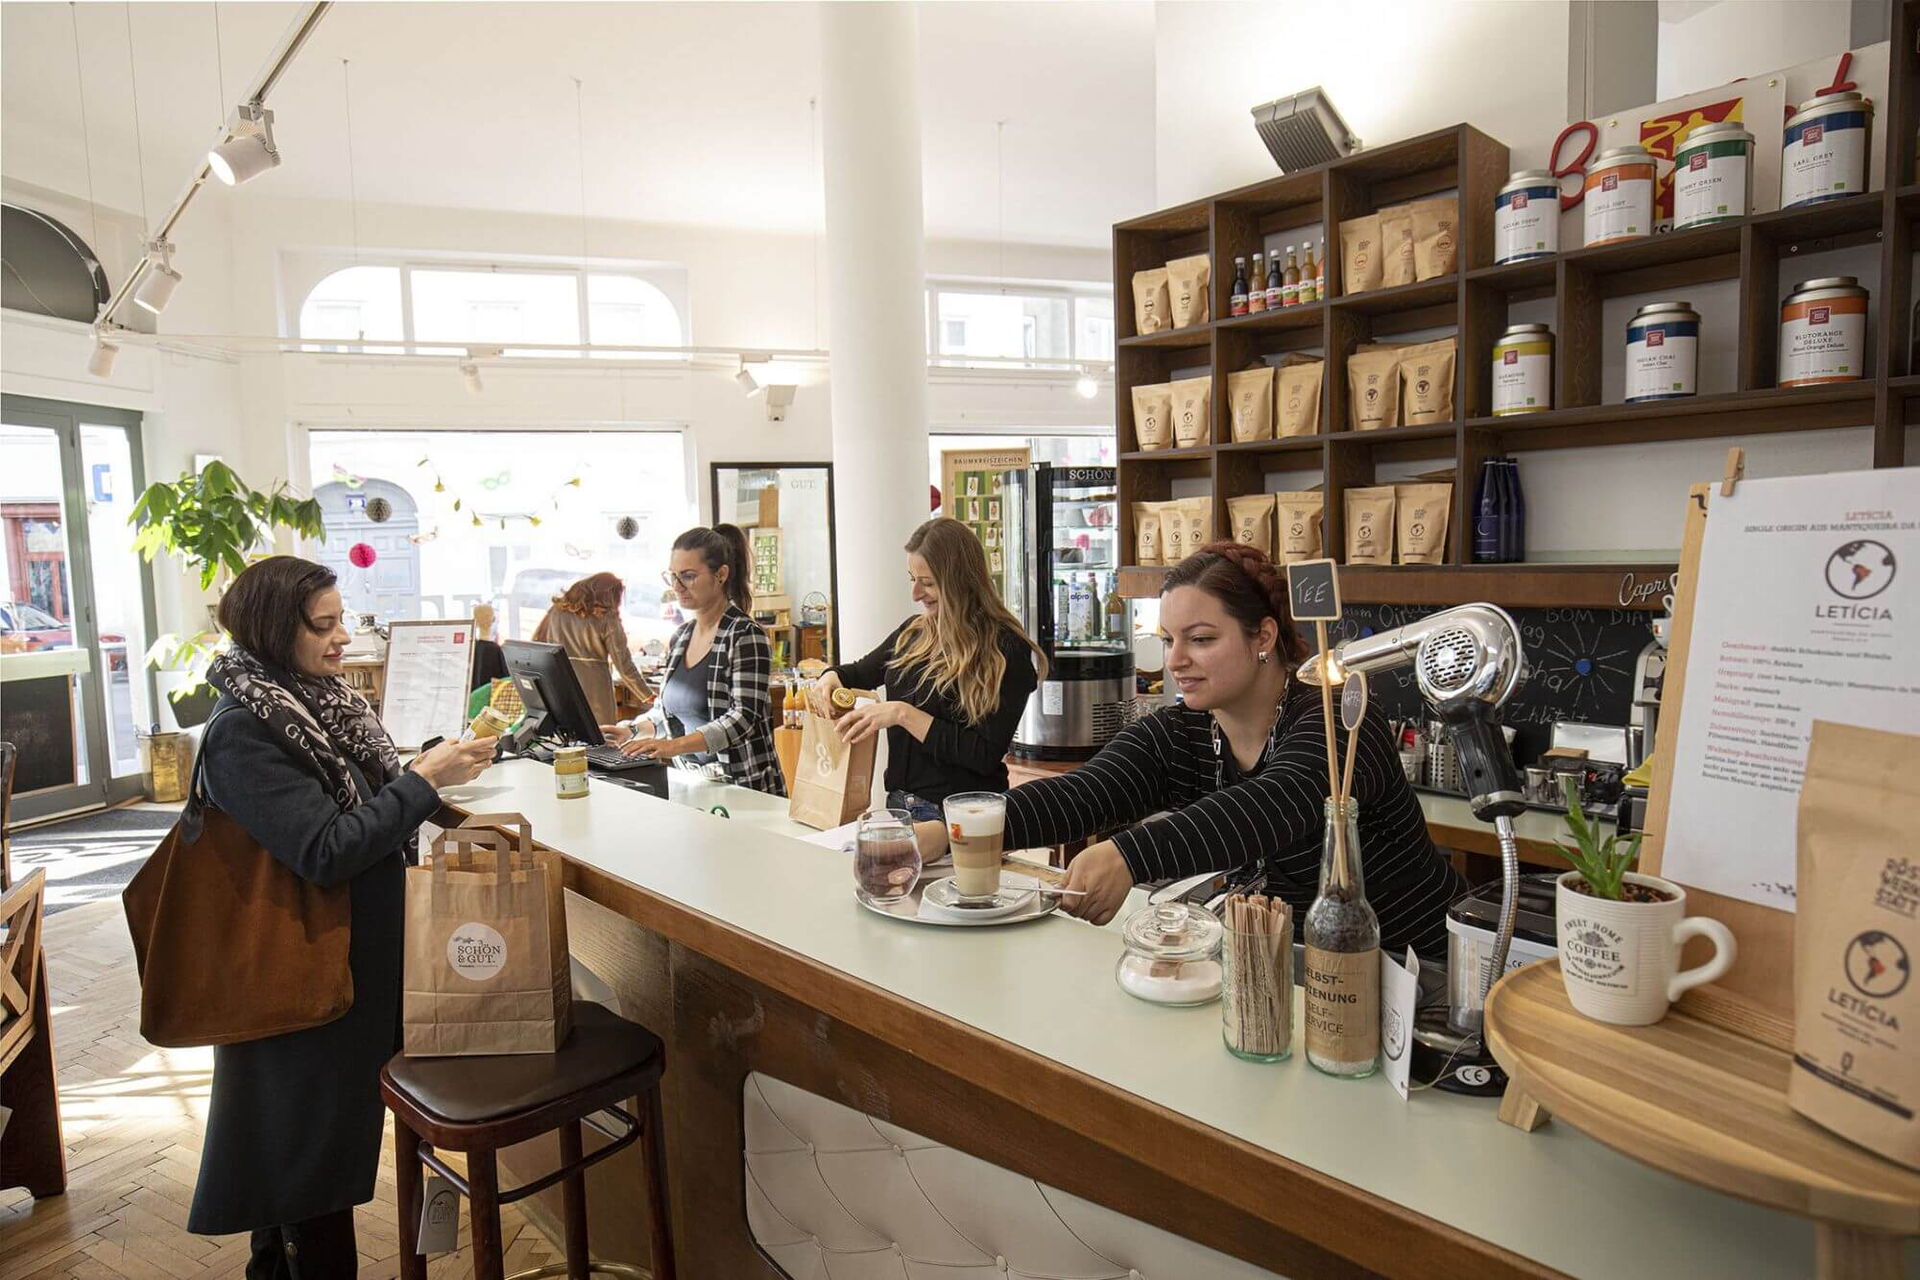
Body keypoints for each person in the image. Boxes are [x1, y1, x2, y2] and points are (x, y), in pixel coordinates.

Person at [918, 542, 1463, 955]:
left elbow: (1280, 802)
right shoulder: (1188, 731)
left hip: (1413, 971)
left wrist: (1132, 854)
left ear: (1264, 638)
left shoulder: (1338, 717)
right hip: (1289, 975)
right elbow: (1086, 793)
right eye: (1168, 640)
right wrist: (950, 831)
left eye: (1201, 640)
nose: (1176, 660)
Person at [187, 556, 497, 1276]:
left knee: (299, 1169)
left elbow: (354, 799)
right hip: (303, 986)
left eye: (342, 620)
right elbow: (326, 848)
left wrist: (428, 769)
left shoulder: (312, 706)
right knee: (304, 1172)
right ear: (272, 630)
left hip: (342, 973)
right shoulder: (245, 730)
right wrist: (422, 784)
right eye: (323, 626)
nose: (342, 640)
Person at [810, 518, 1045, 822]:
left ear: (962, 580)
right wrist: (829, 677)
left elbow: (983, 755)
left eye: (929, 583)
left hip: (964, 815)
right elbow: (856, 673)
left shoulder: (1005, 650)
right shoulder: (913, 634)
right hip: (898, 805)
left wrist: (902, 715)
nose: (916, 594)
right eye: (912, 579)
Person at [602, 524, 785, 795]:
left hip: (743, 787)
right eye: (673, 577)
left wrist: (673, 746)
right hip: (691, 783)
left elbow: (742, 718)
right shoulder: (681, 637)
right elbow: (671, 713)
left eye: (688, 576)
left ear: (721, 575)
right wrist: (633, 731)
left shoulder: (745, 635)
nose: (677, 587)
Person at [531, 571, 652, 706]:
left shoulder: (556, 611)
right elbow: (624, 665)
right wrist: (648, 695)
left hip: (559, 684)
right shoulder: (607, 619)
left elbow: (537, 642)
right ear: (611, 595)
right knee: (600, 727)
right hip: (595, 690)